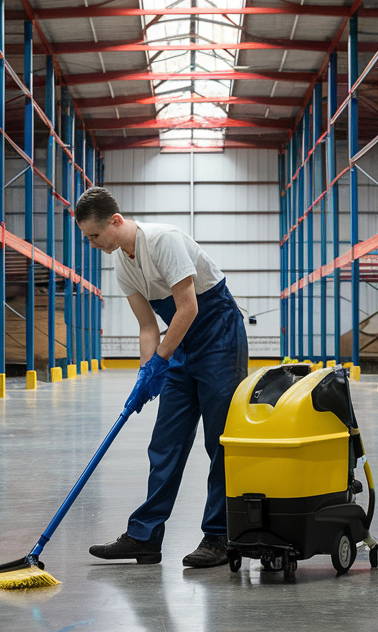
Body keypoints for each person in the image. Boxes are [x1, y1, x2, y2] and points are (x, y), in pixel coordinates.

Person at [74, 186, 249, 568]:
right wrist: (145, 373)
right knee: (166, 442)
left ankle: (219, 536)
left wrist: (161, 360)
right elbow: (148, 328)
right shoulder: (122, 264)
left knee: (220, 441)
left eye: (94, 236)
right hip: (180, 343)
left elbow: (188, 306)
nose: (92, 244)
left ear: (115, 221)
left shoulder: (163, 241)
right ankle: (145, 535)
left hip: (218, 334)